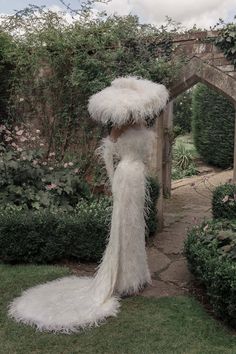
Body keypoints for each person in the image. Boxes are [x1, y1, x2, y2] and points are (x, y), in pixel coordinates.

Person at [9, 76, 169, 333]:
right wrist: (113, 177)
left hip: (137, 178)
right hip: (127, 176)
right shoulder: (117, 127)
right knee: (123, 226)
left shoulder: (141, 123)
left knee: (135, 226)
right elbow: (111, 151)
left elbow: (144, 154)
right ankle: (121, 279)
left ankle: (135, 276)